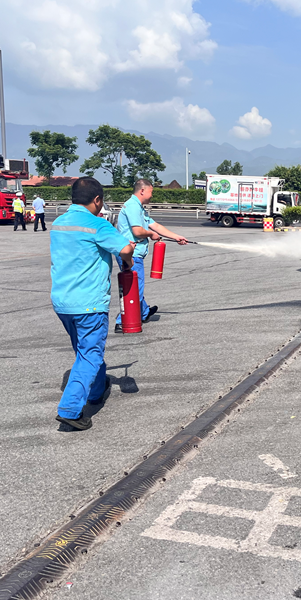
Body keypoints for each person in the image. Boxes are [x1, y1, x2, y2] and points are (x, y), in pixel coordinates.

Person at [49, 177, 135, 431]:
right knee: (90, 353)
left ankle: (97, 389)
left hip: (63, 302)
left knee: (84, 350)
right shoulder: (97, 224)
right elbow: (126, 248)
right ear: (97, 200)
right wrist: (127, 262)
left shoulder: (59, 223)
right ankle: (70, 409)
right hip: (89, 303)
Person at [114, 178, 188, 331]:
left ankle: (144, 312)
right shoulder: (133, 207)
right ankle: (122, 321)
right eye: (151, 192)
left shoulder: (139, 208)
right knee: (134, 287)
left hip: (134, 253)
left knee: (135, 285)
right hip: (131, 254)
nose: (152, 195)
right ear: (142, 191)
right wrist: (150, 234)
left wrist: (175, 237)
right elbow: (138, 231)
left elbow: (155, 225)